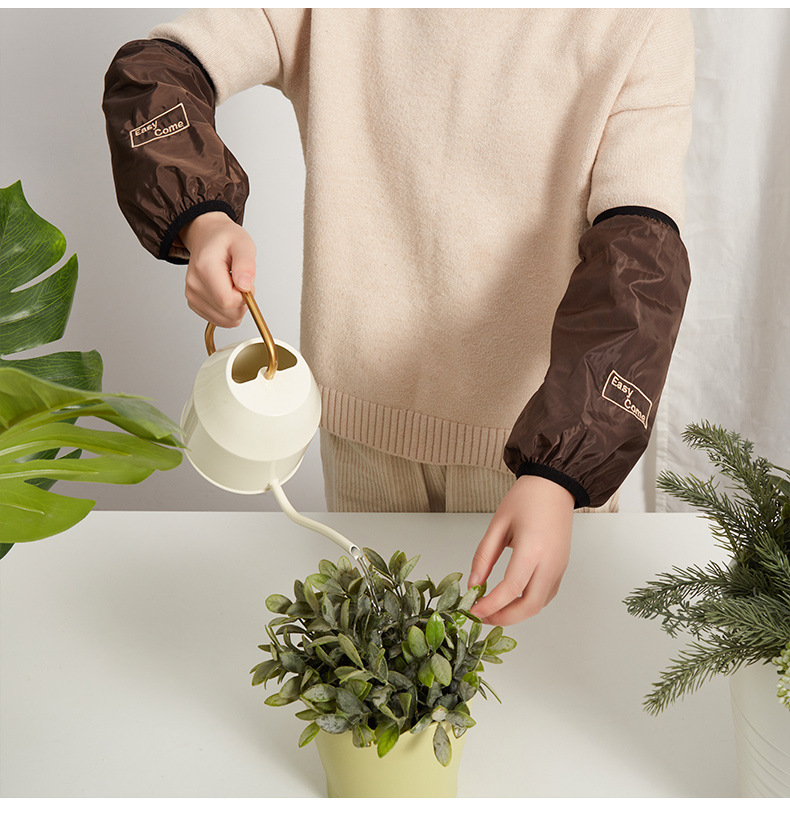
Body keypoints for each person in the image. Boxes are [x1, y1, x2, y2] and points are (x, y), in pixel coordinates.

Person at [102, 9, 694, 626]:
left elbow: (640, 256)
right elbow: (157, 71)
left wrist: (563, 469)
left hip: (540, 460)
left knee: (542, 674)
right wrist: (202, 217)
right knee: (376, 676)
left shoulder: (642, 19)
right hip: (363, 439)